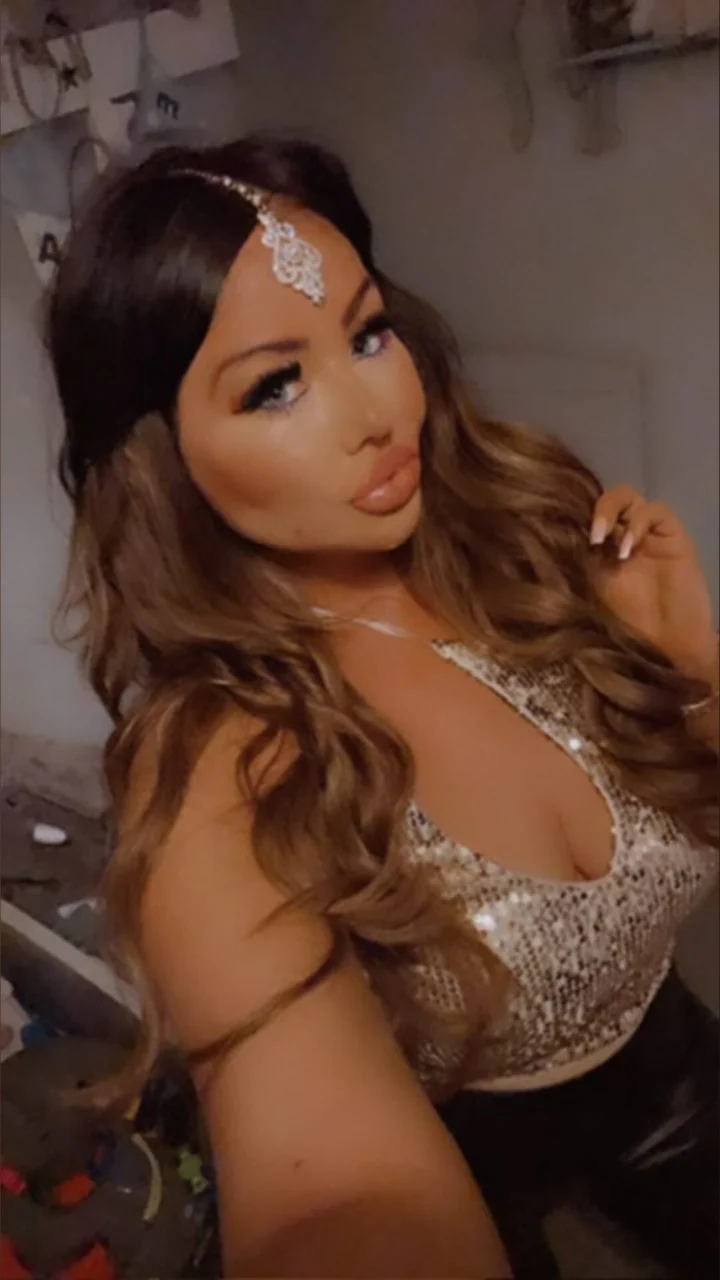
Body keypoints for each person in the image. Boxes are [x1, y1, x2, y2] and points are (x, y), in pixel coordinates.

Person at [46, 137, 718, 1279]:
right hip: (472, 1177)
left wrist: (692, 668)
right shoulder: (222, 762)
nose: (376, 409)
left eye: (366, 333)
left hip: (679, 1070)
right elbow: (336, 1198)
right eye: (276, 385)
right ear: (165, 456)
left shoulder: (531, 536)